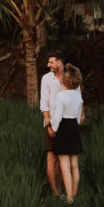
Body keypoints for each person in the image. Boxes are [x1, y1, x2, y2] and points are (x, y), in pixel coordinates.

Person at [47, 63, 84, 202]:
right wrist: (75, 127)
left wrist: (53, 129)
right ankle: (74, 194)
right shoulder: (78, 96)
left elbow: (58, 116)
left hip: (63, 128)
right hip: (74, 128)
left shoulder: (61, 96)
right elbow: (79, 116)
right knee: (74, 164)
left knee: (65, 166)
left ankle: (69, 198)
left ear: (64, 81)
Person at [39, 49, 64, 196]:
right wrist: (49, 125)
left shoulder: (69, 77)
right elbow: (44, 103)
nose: (48, 65)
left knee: (62, 158)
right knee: (52, 157)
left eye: (51, 62)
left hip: (66, 124)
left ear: (59, 63)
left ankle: (60, 189)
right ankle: (54, 191)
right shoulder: (46, 79)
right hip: (51, 123)